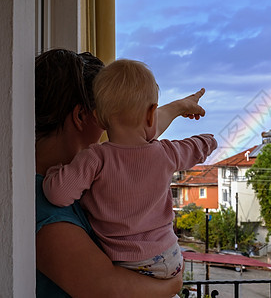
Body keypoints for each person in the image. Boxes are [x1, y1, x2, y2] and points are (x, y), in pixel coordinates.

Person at [35, 49, 207, 297]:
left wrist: (179, 107)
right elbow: (105, 287)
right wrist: (173, 284)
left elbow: (134, 130)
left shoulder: (76, 172)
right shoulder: (46, 211)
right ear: (83, 115)